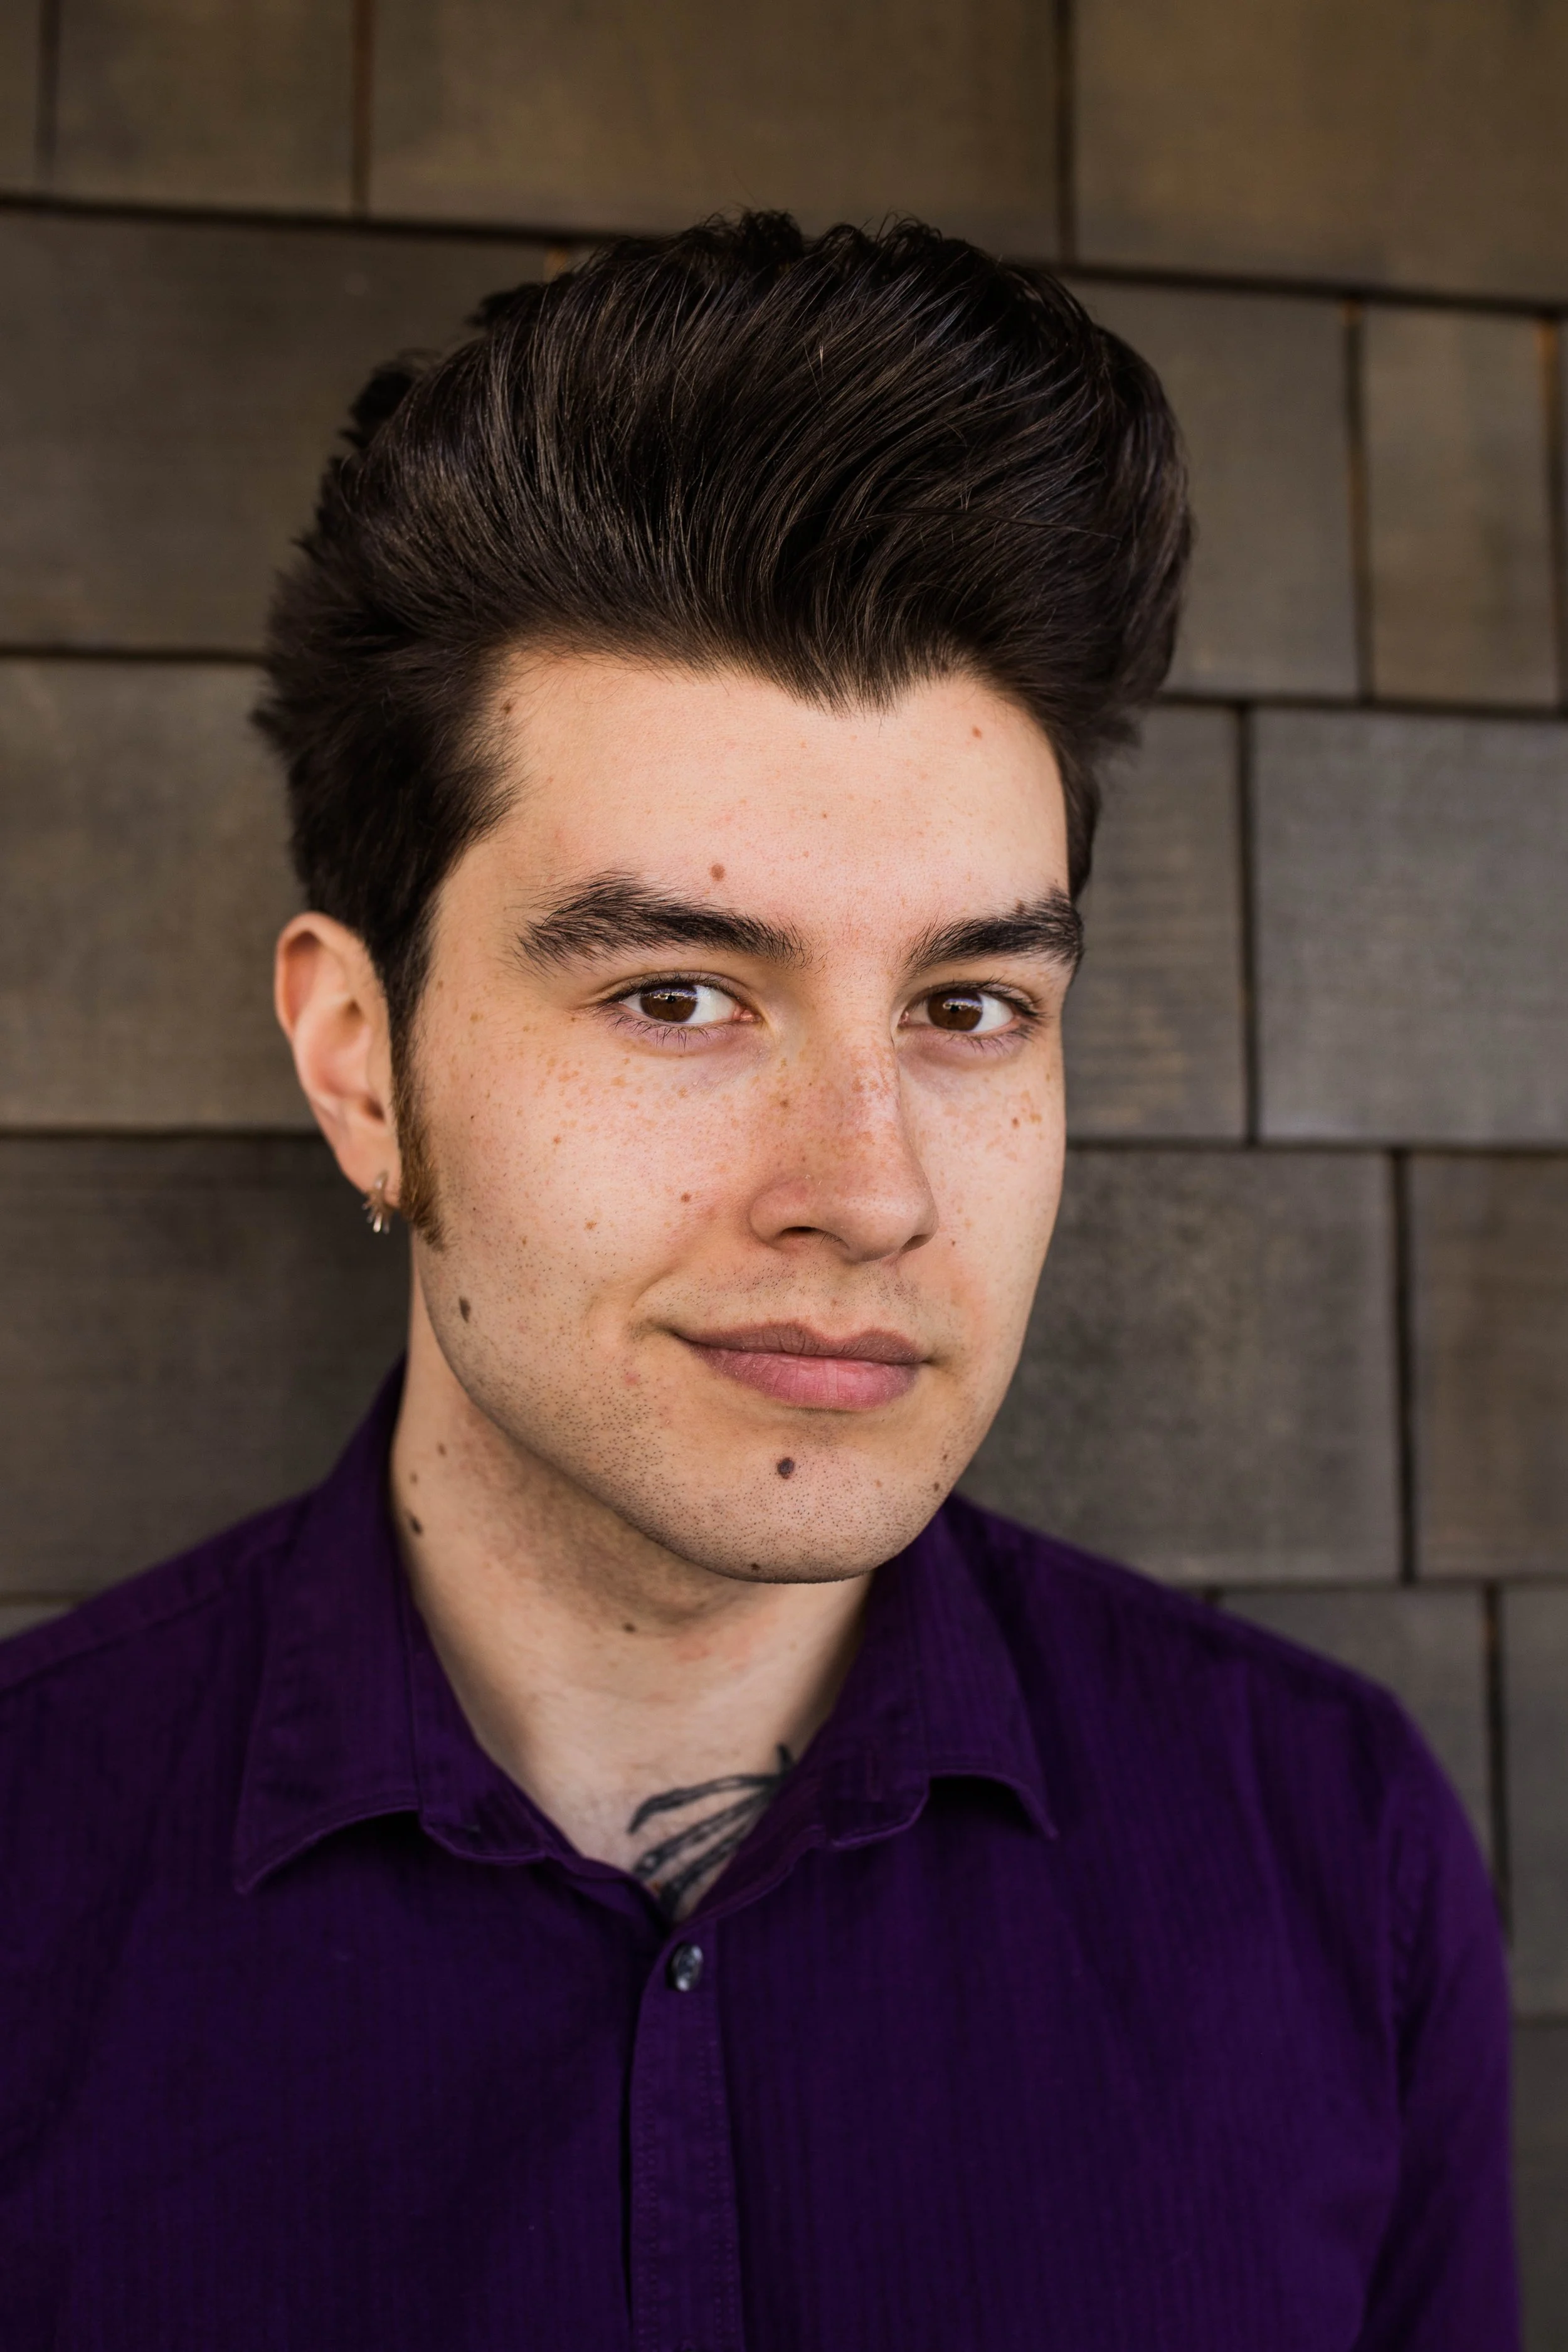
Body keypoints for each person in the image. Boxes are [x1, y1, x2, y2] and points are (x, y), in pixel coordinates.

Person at [0, 215, 1515, 2349]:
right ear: (363, 1066)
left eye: (972, 1004)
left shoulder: (1327, 1859)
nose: (870, 1192)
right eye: (682, 993)